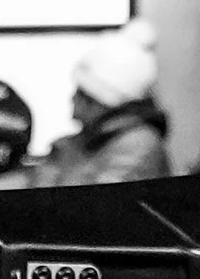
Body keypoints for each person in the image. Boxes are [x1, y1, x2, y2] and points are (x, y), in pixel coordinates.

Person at [37, 22, 172, 186]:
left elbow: (89, 205)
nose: (72, 99)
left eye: (81, 93)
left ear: (101, 102)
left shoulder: (138, 147)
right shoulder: (82, 144)